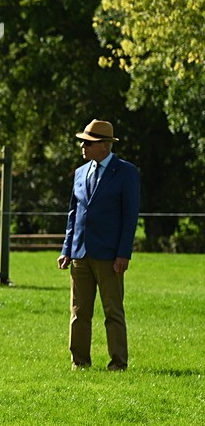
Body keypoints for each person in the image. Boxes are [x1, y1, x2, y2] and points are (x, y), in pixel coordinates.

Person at [58, 119, 140, 371]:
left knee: (112, 311)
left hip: (110, 256)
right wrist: (67, 250)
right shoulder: (80, 173)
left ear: (105, 145)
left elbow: (130, 217)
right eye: (83, 142)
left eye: (88, 143)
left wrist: (123, 253)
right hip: (80, 254)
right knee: (79, 312)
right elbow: (73, 214)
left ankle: (118, 363)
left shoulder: (126, 172)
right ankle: (79, 362)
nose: (82, 146)